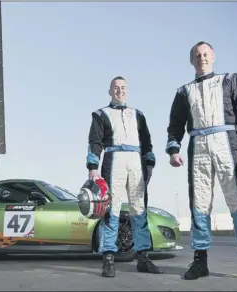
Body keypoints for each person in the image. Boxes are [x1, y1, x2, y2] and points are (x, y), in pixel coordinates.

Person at [165, 41, 237, 285]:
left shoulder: (230, 80)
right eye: (197, 55)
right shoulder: (184, 91)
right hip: (198, 148)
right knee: (200, 203)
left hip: (228, 144)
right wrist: (174, 149)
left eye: (205, 54)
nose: (201, 58)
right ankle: (200, 261)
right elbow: (175, 125)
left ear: (213, 56)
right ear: (191, 61)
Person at [86, 76, 164, 278]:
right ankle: (108, 258)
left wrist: (149, 164)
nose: (119, 91)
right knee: (112, 210)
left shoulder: (138, 115)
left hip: (136, 162)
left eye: (123, 88)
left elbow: (147, 143)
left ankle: (143, 257)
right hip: (113, 161)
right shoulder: (101, 114)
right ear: (110, 91)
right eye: (116, 88)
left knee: (139, 210)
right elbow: (95, 142)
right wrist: (93, 167)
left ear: (127, 91)